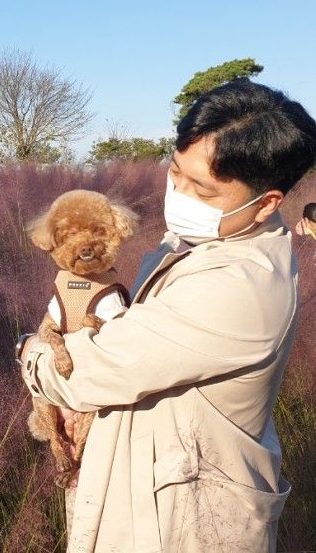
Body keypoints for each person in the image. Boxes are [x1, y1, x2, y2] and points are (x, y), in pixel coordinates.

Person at [16, 79, 316, 552]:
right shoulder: (194, 241)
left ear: (267, 204)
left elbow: (85, 373)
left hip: (190, 522)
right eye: (175, 172)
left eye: (201, 187)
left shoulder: (239, 287)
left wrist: (26, 349)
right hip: (154, 485)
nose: (177, 192)